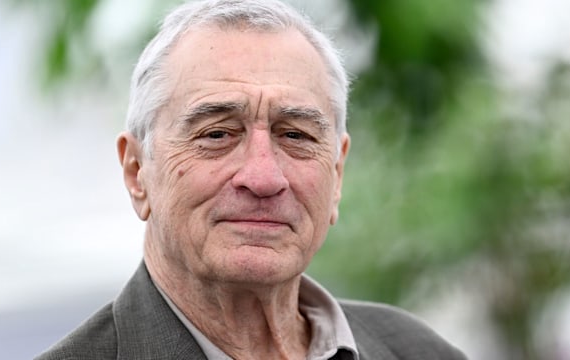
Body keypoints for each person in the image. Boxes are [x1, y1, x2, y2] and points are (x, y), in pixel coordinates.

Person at [36, 0, 466, 359]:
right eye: (217, 134)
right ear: (137, 172)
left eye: (296, 135)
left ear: (336, 174)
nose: (263, 177)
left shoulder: (418, 350)